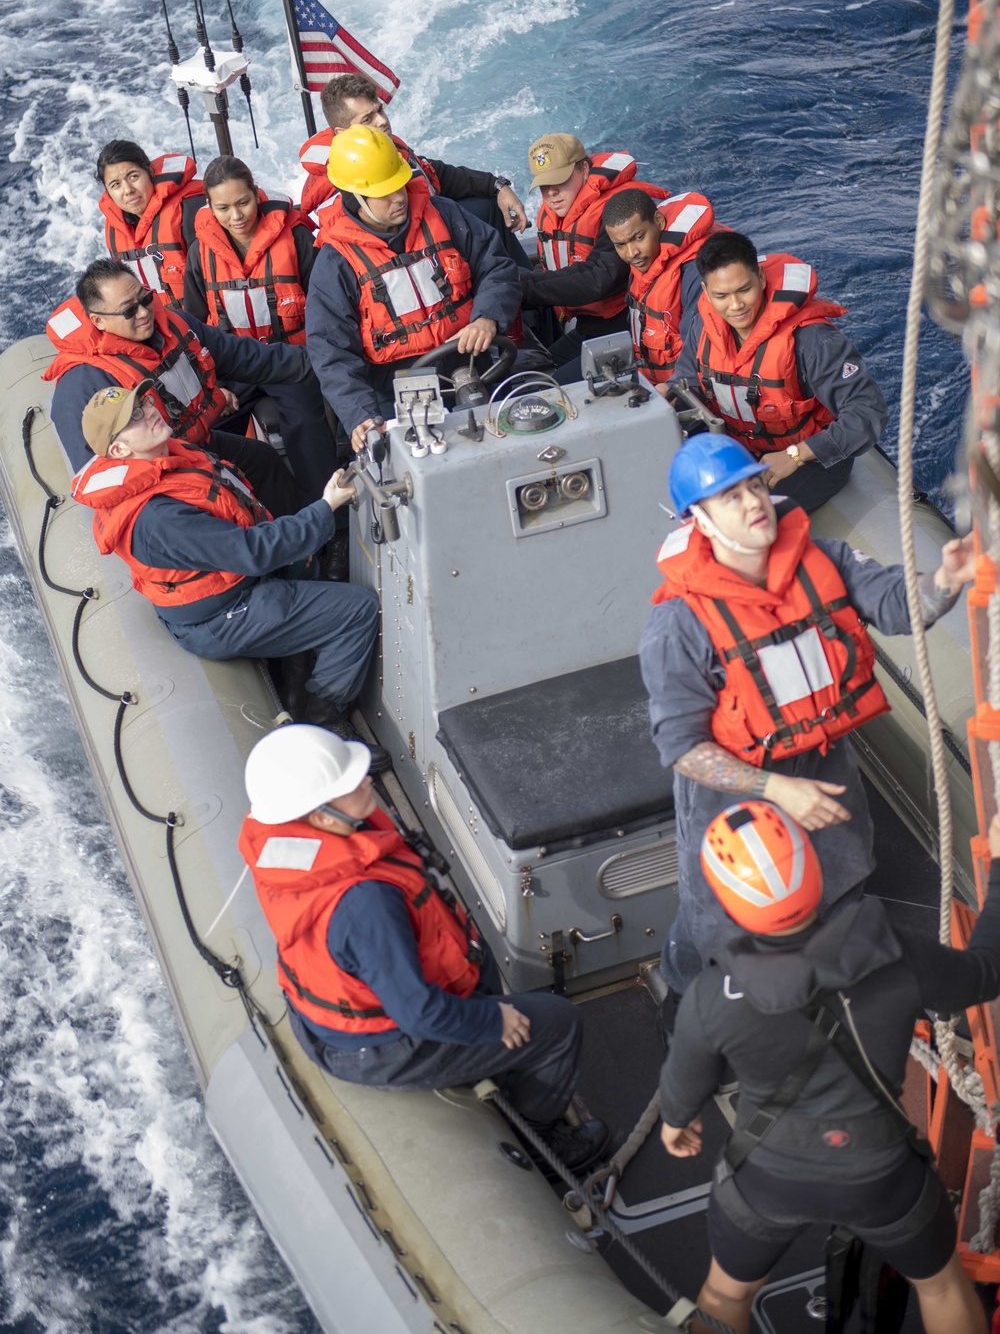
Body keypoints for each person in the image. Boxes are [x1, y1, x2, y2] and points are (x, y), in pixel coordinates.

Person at [639, 433, 975, 998]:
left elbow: (895, 603)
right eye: (730, 498)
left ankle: (833, 1009)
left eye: (754, 485)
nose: (752, 504)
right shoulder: (679, 625)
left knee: (841, 884)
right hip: (736, 802)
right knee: (723, 922)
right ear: (697, 520)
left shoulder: (822, 560)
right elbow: (682, 748)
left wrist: (945, 579)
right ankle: (688, 1014)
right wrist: (773, 789)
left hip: (825, 768)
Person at [658, 801, 995, 1334]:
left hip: (768, 1179)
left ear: (728, 901)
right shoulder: (895, 954)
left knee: (725, 1293)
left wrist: (677, 1122)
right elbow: (984, 974)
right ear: (813, 871)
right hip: (883, 1176)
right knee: (941, 1285)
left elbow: (682, 1090)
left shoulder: (710, 996)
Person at [239, 723, 610, 1171]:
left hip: (342, 1012)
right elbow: (418, 1013)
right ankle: (543, 1147)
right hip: (381, 1045)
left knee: (481, 964)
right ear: (319, 815)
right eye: (351, 782)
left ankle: (499, 1061)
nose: (368, 779)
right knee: (558, 1024)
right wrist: (492, 1020)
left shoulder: (289, 846)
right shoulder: (364, 903)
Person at [71, 385, 384, 748]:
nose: (150, 410)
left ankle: (297, 683)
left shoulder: (165, 459)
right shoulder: (159, 516)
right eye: (134, 417)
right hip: (223, 614)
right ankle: (327, 720)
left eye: (142, 403)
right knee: (359, 610)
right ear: (119, 450)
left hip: (236, 582)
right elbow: (252, 551)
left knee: (307, 566)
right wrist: (325, 507)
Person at [306, 125, 522, 453]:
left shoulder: (444, 214)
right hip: (394, 390)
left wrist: (487, 317)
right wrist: (361, 417)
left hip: (471, 362)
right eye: (385, 193)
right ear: (356, 197)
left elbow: (497, 266)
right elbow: (331, 353)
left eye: (401, 186)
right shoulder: (335, 263)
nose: (398, 199)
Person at [45, 259, 313, 518]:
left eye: (145, 298)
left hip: (198, 444)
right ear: (98, 320)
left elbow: (243, 356)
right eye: (129, 310)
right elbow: (97, 473)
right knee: (224, 507)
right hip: (162, 478)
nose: (143, 313)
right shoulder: (82, 384)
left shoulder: (172, 324)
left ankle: (308, 547)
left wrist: (323, 361)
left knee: (263, 461)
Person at [674, 230, 888, 512]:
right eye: (721, 295)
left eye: (744, 290)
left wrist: (796, 455)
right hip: (739, 451)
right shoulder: (703, 327)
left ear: (761, 278)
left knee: (741, 517)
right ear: (705, 292)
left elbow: (868, 412)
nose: (736, 305)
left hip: (809, 462)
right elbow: (688, 381)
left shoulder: (812, 340)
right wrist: (668, 394)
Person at [182, 155, 339, 505]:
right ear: (208, 205)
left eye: (243, 202)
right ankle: (243, 511)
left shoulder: (297, 239)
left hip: (289, 359)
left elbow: (324, 306)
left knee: (307, 429)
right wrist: (216, 385)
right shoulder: (199, 254)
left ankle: (330, 518)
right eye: (223, 208)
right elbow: (192, 322)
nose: (236, 216)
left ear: (257, 194)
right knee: (206, 430)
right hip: (233, 362)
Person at [298, 71, 529, 265]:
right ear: (341, 133)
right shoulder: (347, 185)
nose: (382, 121)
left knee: (488, 205)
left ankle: (529, 299)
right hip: (413, 263)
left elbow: (436, 174)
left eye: (380, 110)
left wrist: (496, 185)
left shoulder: (390, 149)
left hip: (432, 234)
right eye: (367, 119)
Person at [519, 134, 668, 383]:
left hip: (628, 333)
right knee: (530, 374)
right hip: (587, 329)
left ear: (584, 169)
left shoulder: (618, 212)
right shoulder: (556, 211)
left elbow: (599, 278)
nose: (552, 193)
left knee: (549, 386)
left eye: (560, 180)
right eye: (544, 185)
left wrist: (522, 288)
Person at [602, 187, 717, 389]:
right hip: (649, 379)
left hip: (689, 392)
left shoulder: (693, 274)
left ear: (659, 221)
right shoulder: (644, 261)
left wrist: (672, 389)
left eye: (639, 237)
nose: (632, 253)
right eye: (620, 245)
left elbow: (703, 353)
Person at [96, 140, 204, 310]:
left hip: (202, 324)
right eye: (115, 185)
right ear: (108, 192)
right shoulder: (115, 227)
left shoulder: (190, 209)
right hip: (153, 324)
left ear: (150, 173)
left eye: (133, 177)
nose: (127, 189)